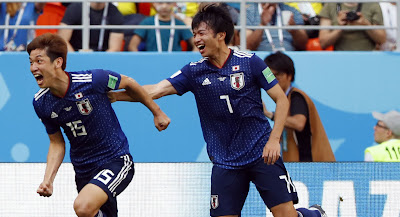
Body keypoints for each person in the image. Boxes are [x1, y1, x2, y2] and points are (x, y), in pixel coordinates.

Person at [110, 4, 326, 217]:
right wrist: (116, 96)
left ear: (221, 34)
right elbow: (155, 90)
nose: (196, 39)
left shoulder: (252, 63)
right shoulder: (193, 72)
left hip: (261, 152)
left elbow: (281, 100)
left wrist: (274, 139)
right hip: (225, 161)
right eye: (194, 34)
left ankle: (312, 214)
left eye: (201, 33)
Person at [28, 33, 170, 217]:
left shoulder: (93, 80)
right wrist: (48, 180)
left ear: (58, 62)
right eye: (30, 62)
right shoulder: (41, 103)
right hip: (83, 171)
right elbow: (56, 143)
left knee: (83, 207)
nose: (33, 68)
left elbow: (129, 83)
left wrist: (157, 112)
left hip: (115, 160)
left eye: (39, 61)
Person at [263, 52, 335, 162]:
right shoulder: (286, 98)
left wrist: (270, 114)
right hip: (299, 164)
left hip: (312, 164)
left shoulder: (296, 96)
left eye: (277, 76)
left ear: (289, 76)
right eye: (270, 77)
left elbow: (299, 123)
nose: (273, 81)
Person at [128, 2, 195, 52]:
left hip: (175, 63)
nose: (164, 6)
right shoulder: (147, 22)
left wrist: (189, 63)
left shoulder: (179, 23)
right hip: (152, 62)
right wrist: (142, 62)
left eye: (168, 3)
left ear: (174, 4)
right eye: (160, 2)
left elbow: (196, 45)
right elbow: (132, 46)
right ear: (154, 4)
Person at [58, 2, 124, 52]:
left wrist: (99, 62)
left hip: (101, 58)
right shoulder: (74, 8)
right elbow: (62, 40)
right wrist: (76, 58)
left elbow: (115, 48)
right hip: (76, 54)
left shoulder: (115, 13)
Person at [318, 2, 386, 51]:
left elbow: (382, 40)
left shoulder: (372, 4)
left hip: (368, 57)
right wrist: (340, 28)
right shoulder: (330, 5)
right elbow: (323, 42)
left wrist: (365, 24)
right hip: (340, 58)